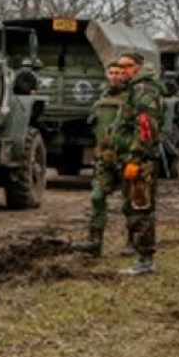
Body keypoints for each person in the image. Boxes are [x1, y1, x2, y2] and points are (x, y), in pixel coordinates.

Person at [110, 50, 165, 276]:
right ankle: (140, 253)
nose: (122, 71)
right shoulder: (133, 90)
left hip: (140, 161)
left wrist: (136, 158)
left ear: (138, 67)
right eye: (119, 67)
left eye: (127, 67)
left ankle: (145, 259)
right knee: (133, 207)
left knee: (140, 207)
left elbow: (145, 129)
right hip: (131, 159)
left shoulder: (144, 91)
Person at [72, 60, 127, 257]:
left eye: (118, 72)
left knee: (131, 203)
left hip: (127, 158)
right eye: (111, 72)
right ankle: (95, 241)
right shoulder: (101, 101)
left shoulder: (132, 99)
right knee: (97, 197)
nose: (114, 76)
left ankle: (133, 241)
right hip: (104, 159)